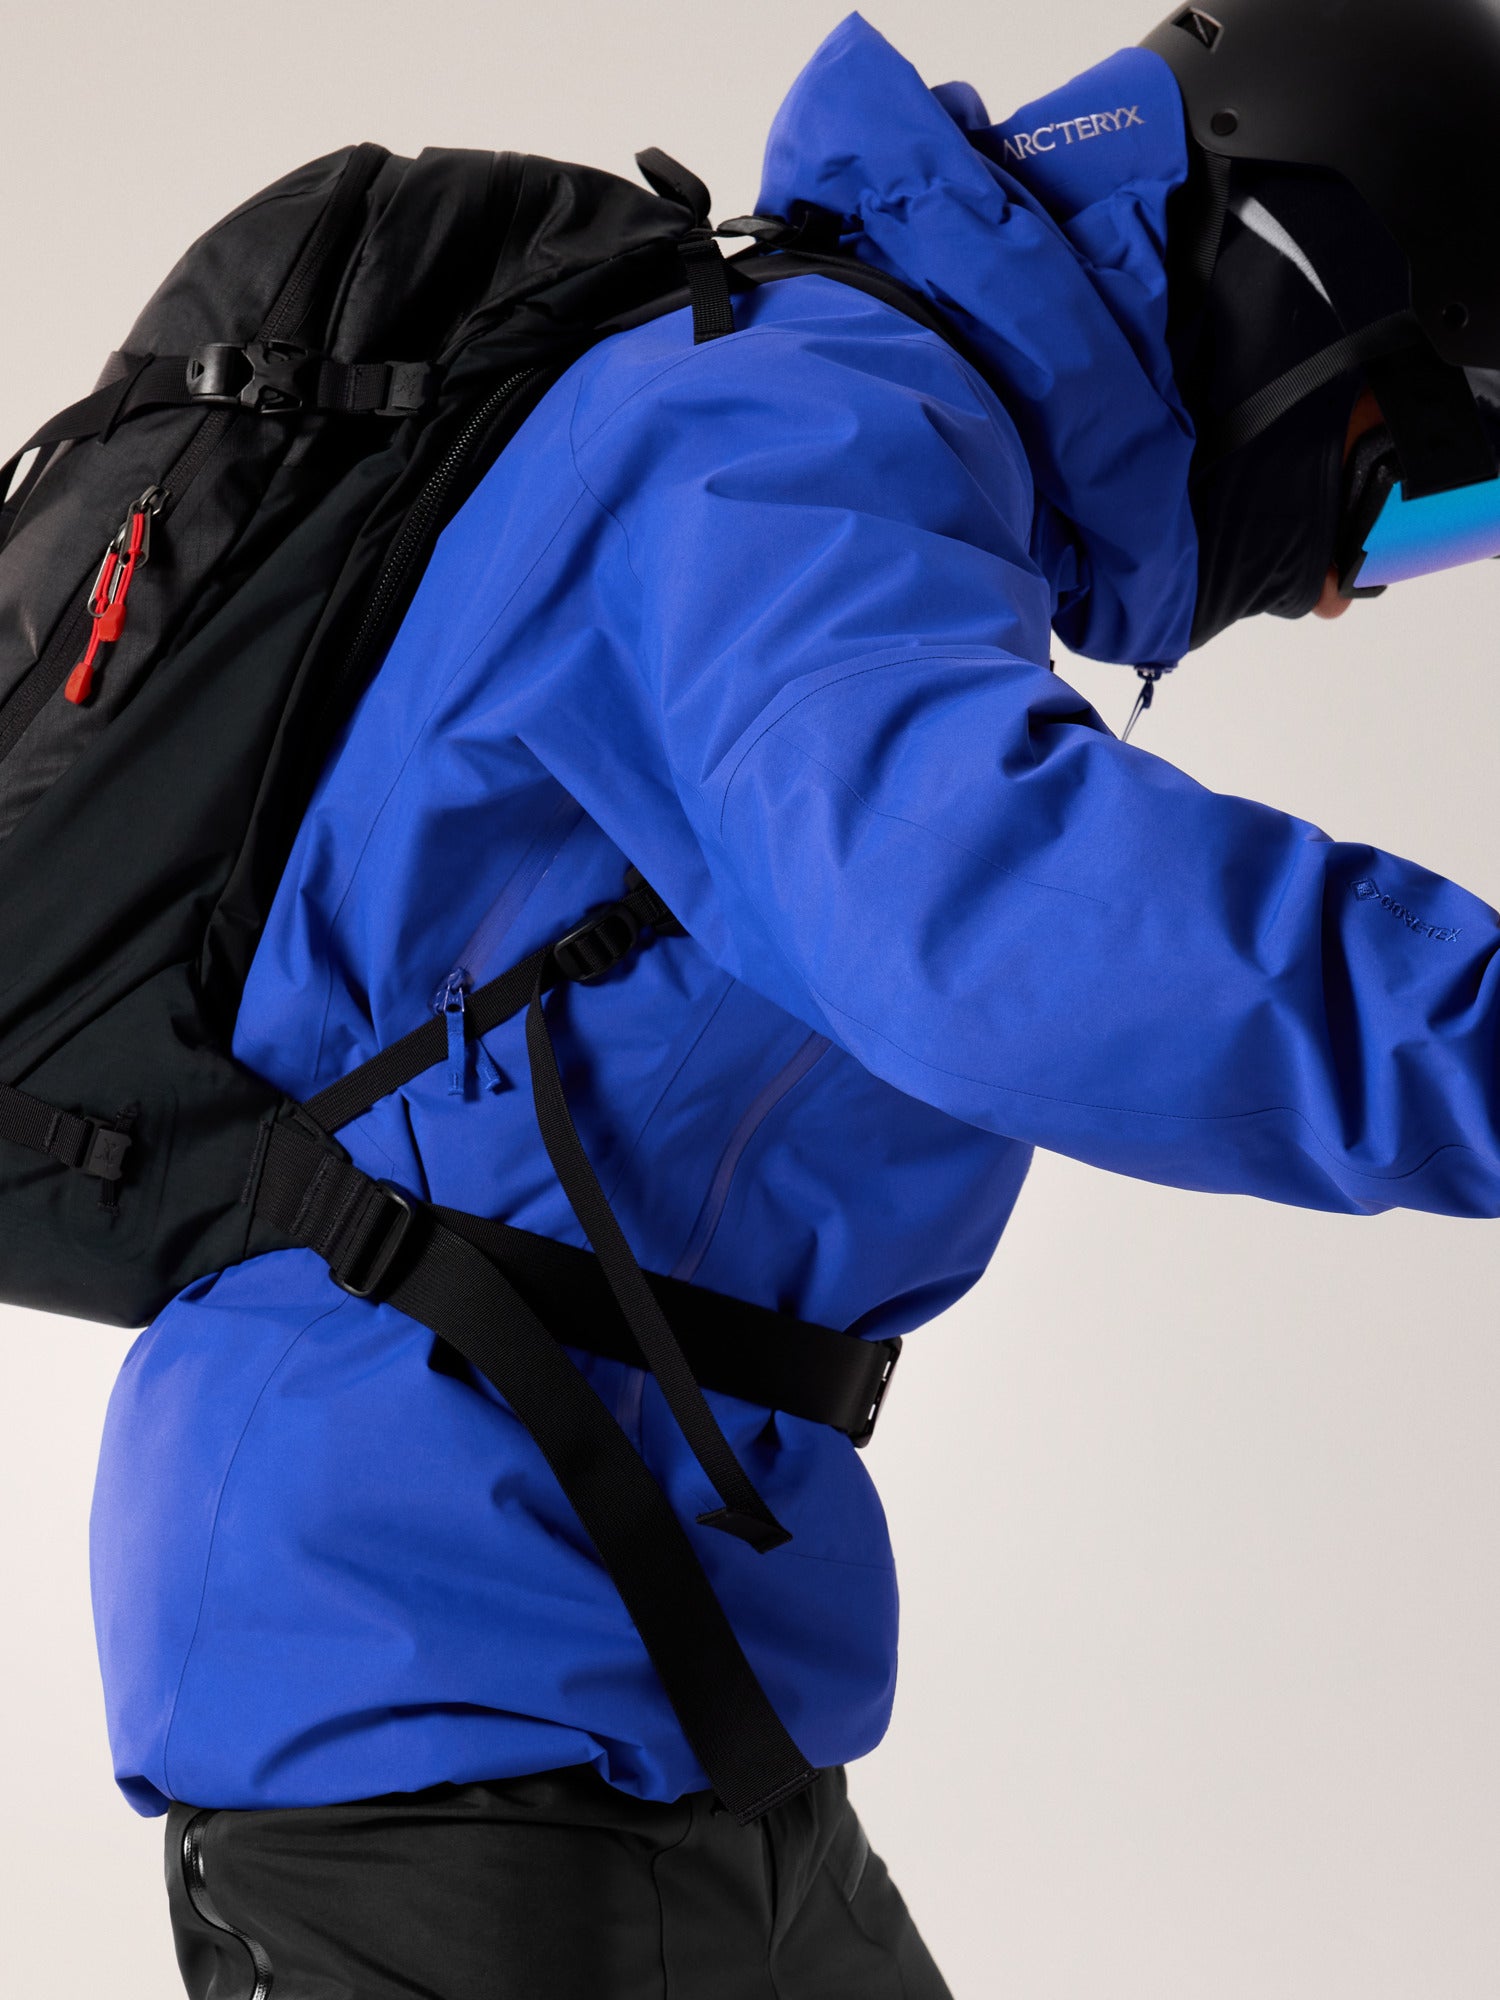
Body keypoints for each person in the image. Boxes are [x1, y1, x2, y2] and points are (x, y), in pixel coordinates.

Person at [87, 3, 1500, 1993]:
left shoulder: (869, 446)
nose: (1347, 587)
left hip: (651, 1692)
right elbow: (992, 911)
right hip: (427, 1690)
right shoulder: (785, 425)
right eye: (1402, 490)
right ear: (1305, 287)